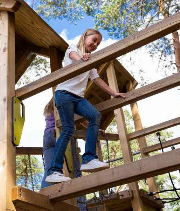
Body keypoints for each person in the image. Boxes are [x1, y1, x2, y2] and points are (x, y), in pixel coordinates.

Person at [45, 28, 126, 184]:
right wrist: (82, 58)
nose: (95, 44)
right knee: (68, 130)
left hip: (78, 98)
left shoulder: (90, 62)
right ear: (84, 37)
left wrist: (113, 93)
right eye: (94, 40)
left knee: (95, 115)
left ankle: (89, 158)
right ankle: (53, 171)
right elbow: (75, 57)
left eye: (98, 43)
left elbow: (97, 80)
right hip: (64, 94)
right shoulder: (73, 49)